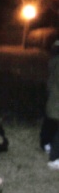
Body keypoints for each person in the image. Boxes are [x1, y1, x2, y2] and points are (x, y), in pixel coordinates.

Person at [45, 40, 59, 170]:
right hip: (56, 100)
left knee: (53, 126)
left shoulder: (53, 61)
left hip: (54, 99)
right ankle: (55, 158)